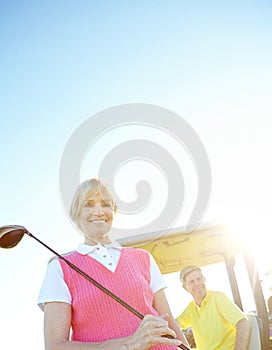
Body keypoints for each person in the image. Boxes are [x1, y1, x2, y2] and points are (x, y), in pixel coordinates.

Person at [38, 178, 190, 350]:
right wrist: (128, 344)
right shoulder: (60, 268)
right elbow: (55, 346)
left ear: (114, 211)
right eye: (89, 204)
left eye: (105, 204)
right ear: (76, 214)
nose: (98, 211)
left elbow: (169, 322)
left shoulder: (143, 258)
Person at [176, 265, 251, 350]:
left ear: (204, 280)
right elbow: (175, 325)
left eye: (199, 279)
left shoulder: (217, 298)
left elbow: (242, 322)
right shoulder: (191, 308)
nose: (197, 283)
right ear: (185, 287)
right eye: (192, 281)